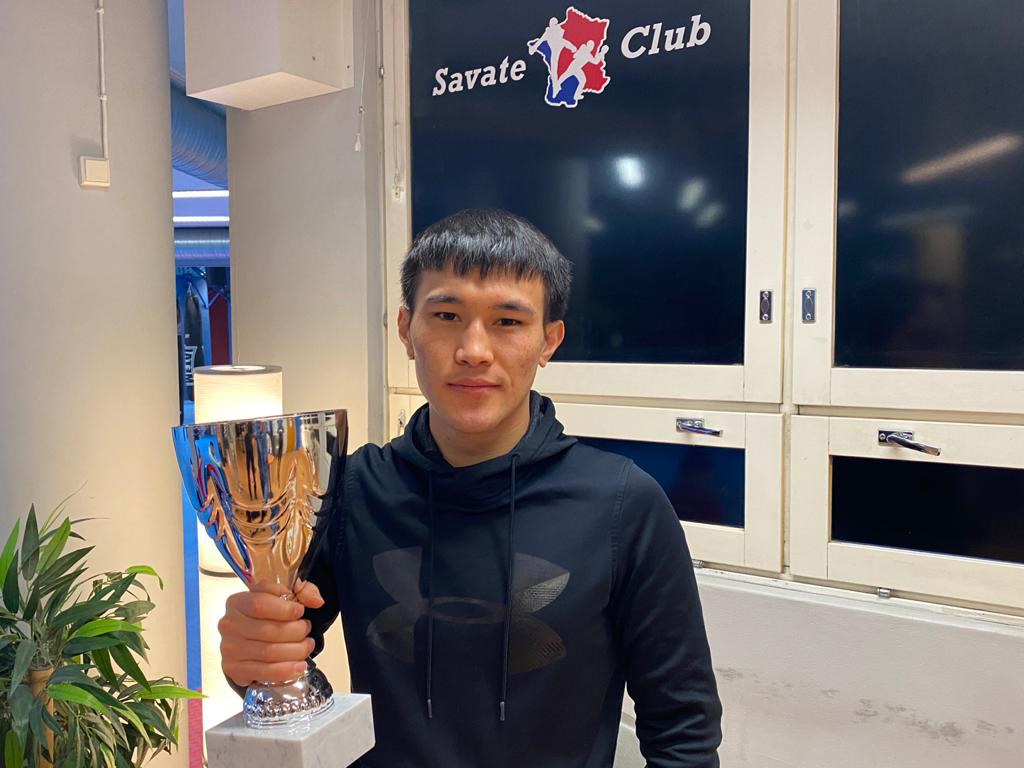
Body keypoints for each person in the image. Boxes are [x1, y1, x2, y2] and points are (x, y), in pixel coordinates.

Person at [217, 208, 723, 767]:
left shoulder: (623, 504)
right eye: (447, 315)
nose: (474, 350)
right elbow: (281, 666)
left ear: (549, 340)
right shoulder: (350, 491)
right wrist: (253, 657)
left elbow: (684, 732)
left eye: (508, 321)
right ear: (406, 329)